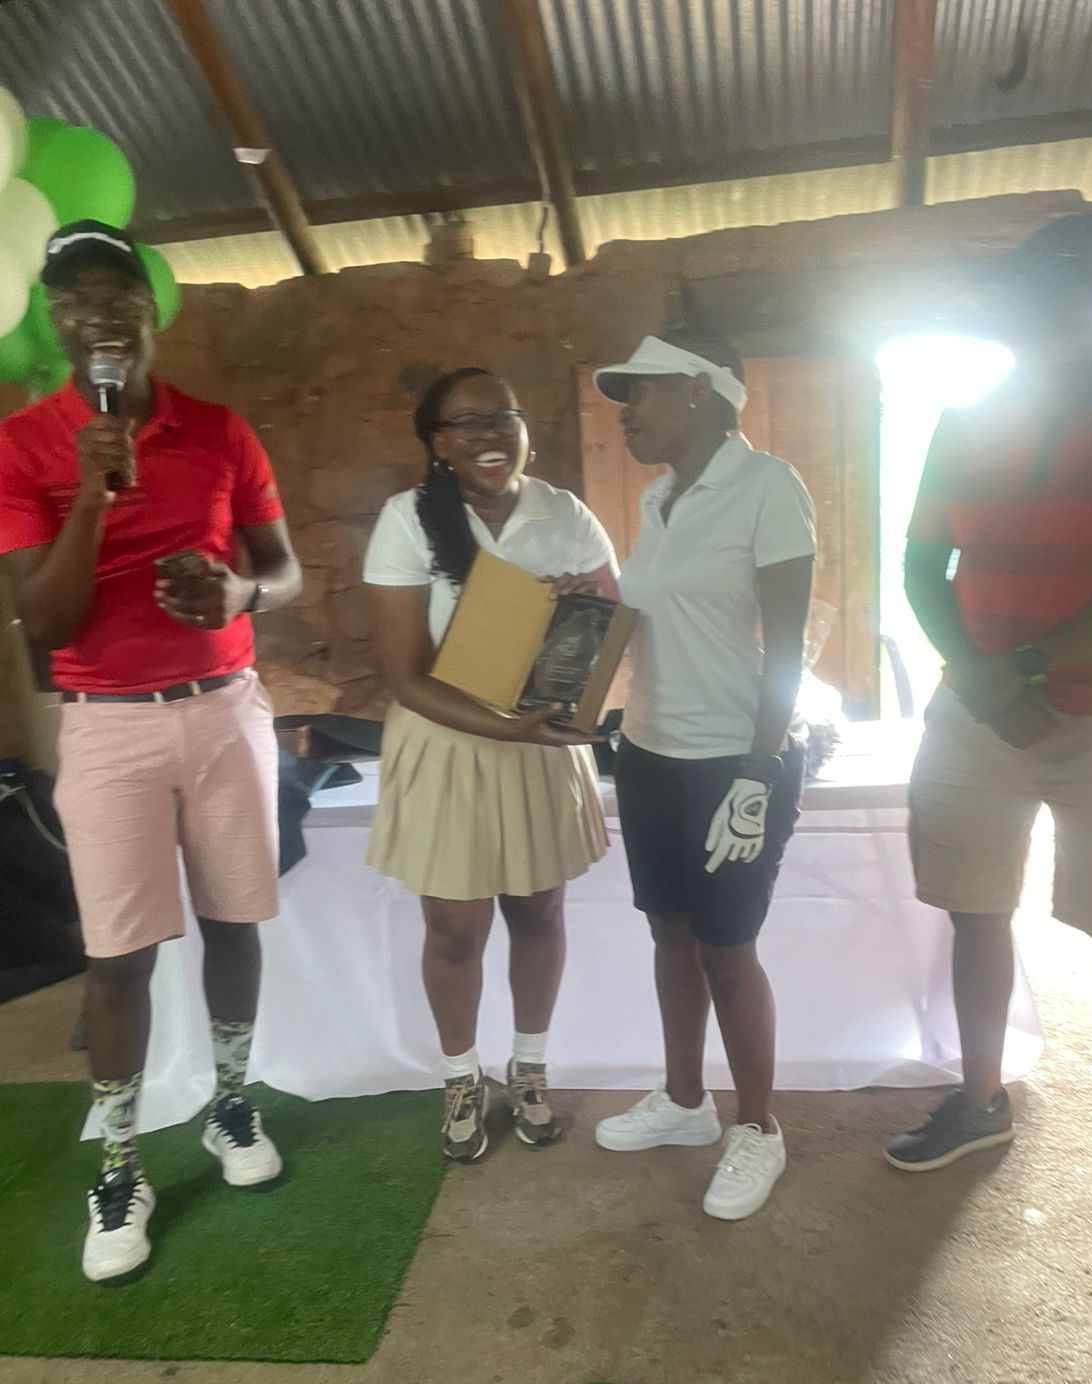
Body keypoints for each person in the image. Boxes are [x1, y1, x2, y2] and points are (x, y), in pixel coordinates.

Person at [0, 221, 301, 1283]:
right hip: (110, 724)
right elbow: (46, 620)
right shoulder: (22, 444)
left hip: (224, 710)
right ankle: (121, 1162)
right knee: (118, 955)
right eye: (75, 299)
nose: (100, 316)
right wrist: (92, 490)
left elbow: (284, 571)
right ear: (54, 319)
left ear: (148, 311)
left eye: (117, 295)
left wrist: (238, 592)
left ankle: (230, 1102)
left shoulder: (219, 430)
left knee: (235, 922)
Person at [889, 212, 1092, 1173]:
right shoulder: (969, 414)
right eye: (1026, 296)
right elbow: (921, 564)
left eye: (1059, 295)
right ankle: (980, 1101)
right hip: (976, 716)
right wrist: (986, 682)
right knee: (973, 908)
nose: (1033, 315)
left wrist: (1020, 668)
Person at [364, 368, 617, 1162]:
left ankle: (529, 1069)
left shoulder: (564, 514)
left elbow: (608, 633)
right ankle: (461, 1077)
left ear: (523, 428)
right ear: (438, 443)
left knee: (539, 913)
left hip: (540, 741)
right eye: (466, 423)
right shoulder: (408, 520)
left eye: (502, 417)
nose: (489, 435)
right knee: (456, 931)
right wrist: (506, 724)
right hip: (450, 745)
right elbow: (406, 677)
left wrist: (579, 610)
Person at [591, 331, 815, 1221]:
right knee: (670, 933)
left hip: (734, 760)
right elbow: (650, 624)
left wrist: (760, 770)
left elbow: (787, 649)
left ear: (697, 390)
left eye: (638, 393)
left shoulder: (767, 487)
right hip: (649, 752)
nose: (625, 413)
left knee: (728, 951)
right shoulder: (659, 499)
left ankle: (757, 1128)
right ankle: (686, 1103)